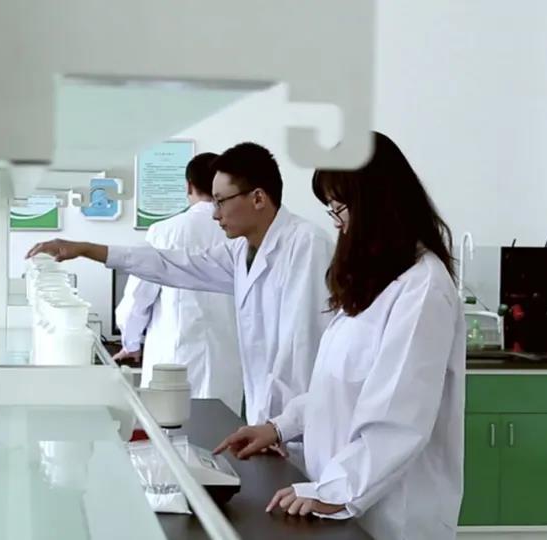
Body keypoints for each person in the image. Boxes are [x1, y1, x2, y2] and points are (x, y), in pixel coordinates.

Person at [213, 132, 466, 540]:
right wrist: (278, 426)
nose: (337, 221)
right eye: (330, 208)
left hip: (390, 511)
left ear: (377, 204)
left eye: (340, 207)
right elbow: (335, 387)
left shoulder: (422, 289)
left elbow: (399, 419)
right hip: (342, 495)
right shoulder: (375, 283)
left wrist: (335, 493)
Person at [28, 142, 333, 425]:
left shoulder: (306, 244)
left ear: (258, 198)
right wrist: (86, 249)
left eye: (221, 202)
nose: (215, 215)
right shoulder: (241, 250)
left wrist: (279, 426)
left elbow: (303, 349)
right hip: (266, 416)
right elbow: (170, 264)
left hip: (296, 423)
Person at [113, 152, 243, 413]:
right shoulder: (240, 232)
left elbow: (139, 298)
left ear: (188, 186)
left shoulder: (164, 231)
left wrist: (131, 343)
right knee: (221, 429)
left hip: (173, 360)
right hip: (227, 361)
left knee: (170, 429)